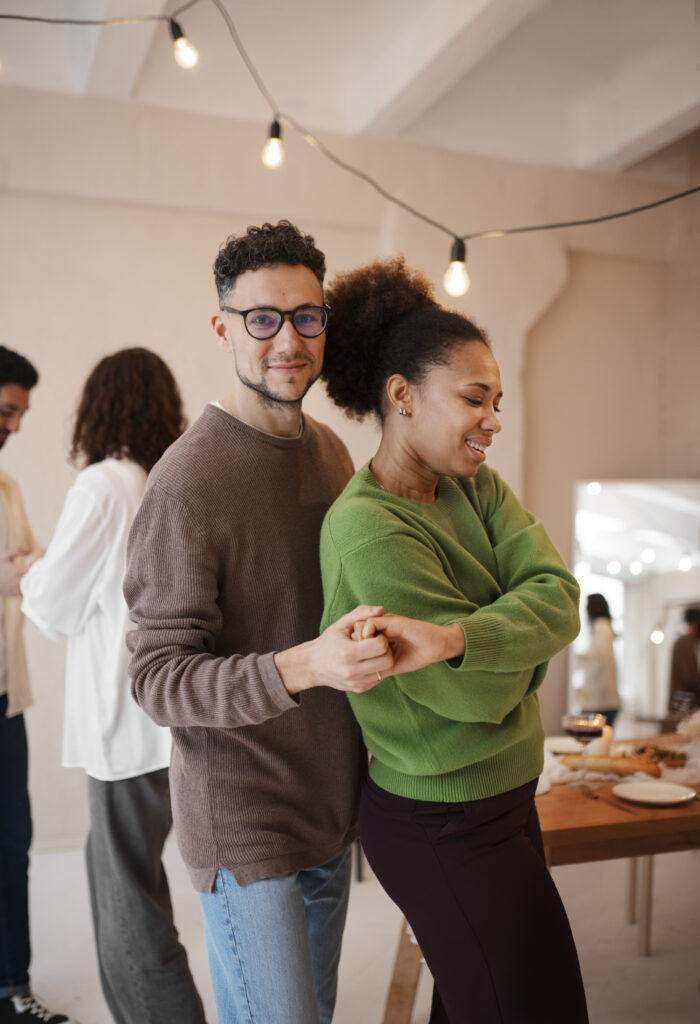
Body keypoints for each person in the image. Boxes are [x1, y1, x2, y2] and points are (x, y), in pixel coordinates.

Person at [123, 221, 396, 1024]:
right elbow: (157, 678)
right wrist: (306, 665)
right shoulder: (186, 481)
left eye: (306, 317)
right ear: (224, 329)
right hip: (244, 823)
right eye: (263, 319)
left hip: (329, 808)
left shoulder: (333, 453)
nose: (288, 340)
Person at [318, 257, 589, 1024]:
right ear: (402, 395)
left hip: (508, 796)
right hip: (442, 822)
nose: (493, 420)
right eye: (474, 398)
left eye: (497, 401)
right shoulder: (368, 527)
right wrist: (509, 650)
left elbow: (562, 597)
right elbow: (478, 694)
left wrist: (457, 636)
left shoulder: (478, 485)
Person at [20, 349, 206, 1024]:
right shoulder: (165, 479)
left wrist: (25, 574)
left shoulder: (102, 484)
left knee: (129, 903)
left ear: (98, 406)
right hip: (167, 717)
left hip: (122, 725)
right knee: (122, 880)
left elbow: (54, 606)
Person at [0, 347, 75, 1024]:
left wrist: (32, 569)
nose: (14, 426)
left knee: (13, 841)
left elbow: (29, 567)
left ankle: (11, 989)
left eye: (19, 414)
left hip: (6, 699)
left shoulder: (8, 489)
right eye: (6, 410)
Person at [573, 593, 621, 728]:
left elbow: (598, 658)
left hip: (600, 701)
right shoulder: (604, 627)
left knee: (593, 738)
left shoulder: (601, 626)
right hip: (605, 700)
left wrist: (574, 659)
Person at [668, 606, 700, 712]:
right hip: (683, 705)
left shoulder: (685, 642)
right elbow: (691, 676)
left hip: (682, 703)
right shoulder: (685, 643)